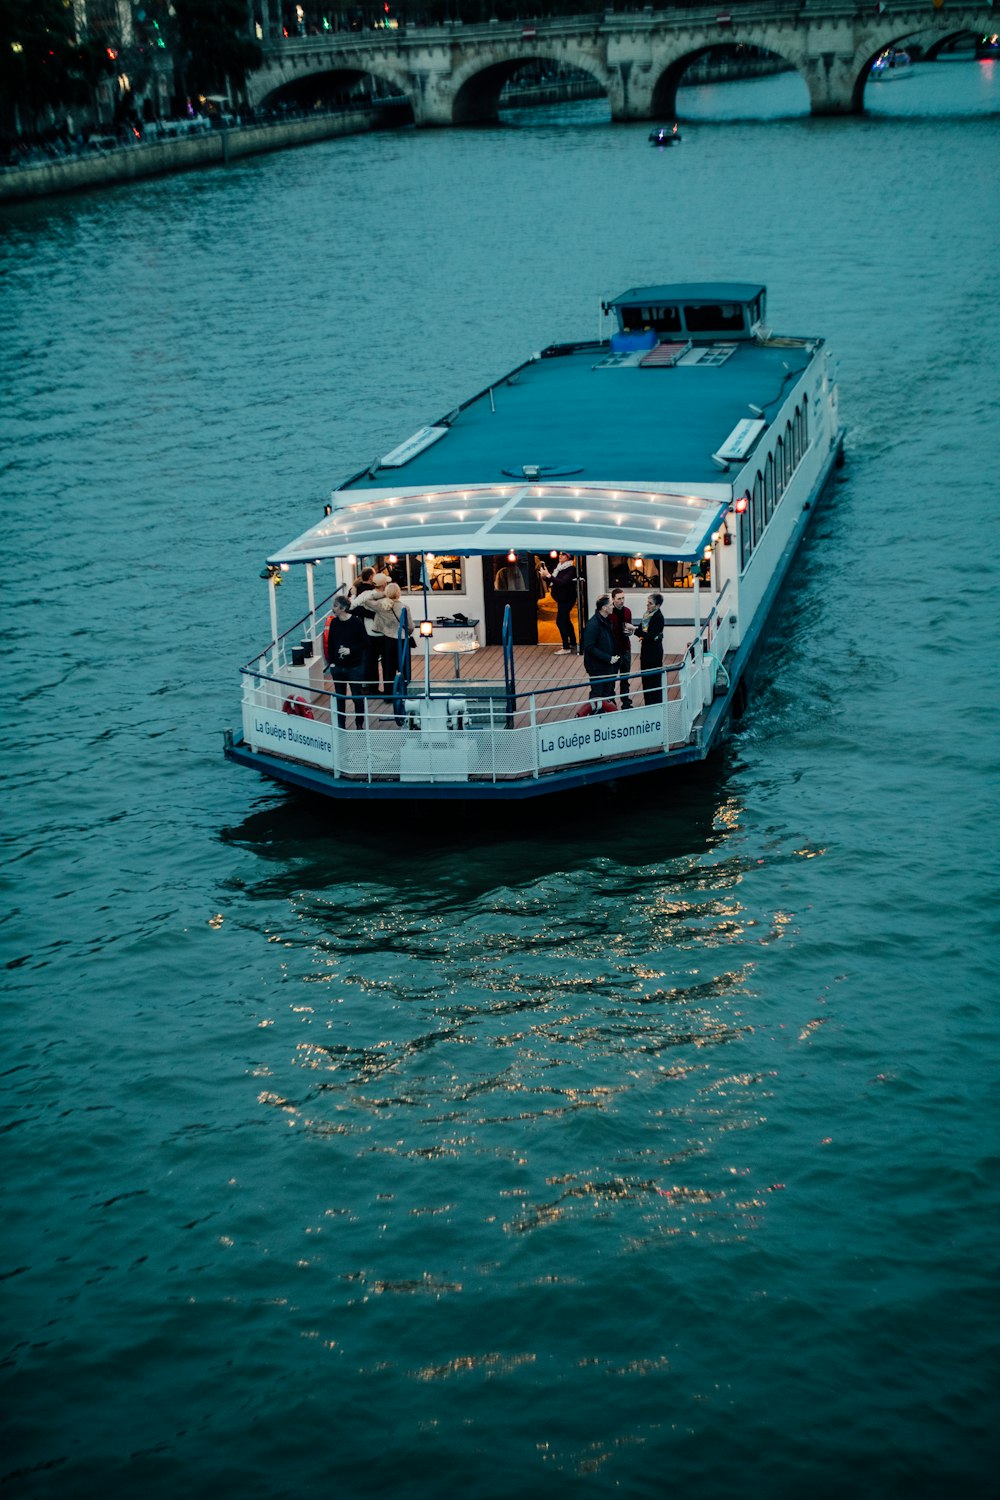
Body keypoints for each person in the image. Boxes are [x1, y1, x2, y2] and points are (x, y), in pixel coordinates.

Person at [323, 595, 368, 728]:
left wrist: (351, 650)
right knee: (339, 698)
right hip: (338, 667)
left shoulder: (356, 622)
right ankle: (341, 725)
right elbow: (330, 643)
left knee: (357, 697)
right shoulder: (334, 623)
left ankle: (359, 724)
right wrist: (332, 662)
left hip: (354, 666)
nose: (333, 608)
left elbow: (365, 643)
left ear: (343, 608)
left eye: (336, 606)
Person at [350, 572, 389, 696]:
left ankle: (373, 689)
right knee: (387, 664)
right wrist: (373, 615)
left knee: (371, 663)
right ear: (384, 584)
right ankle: (388, 691)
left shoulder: (365, 595)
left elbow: (352, 607)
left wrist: (367, 613)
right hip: (385, 634)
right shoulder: (388, 596)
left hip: (369, 634)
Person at [367, 581, 407, 699]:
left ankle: (388, 694)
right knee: (403, 667)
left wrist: (383, 594)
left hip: (387, 639)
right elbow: (409, 626)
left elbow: (367, 599)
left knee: (388, 668)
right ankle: (404, 692)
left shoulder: (381, 606)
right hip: (402, 640)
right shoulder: (404, 607)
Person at [581, 595, 621, 703]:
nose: (612, 606)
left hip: (606, 666)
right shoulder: (593, 625)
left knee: (608, 692)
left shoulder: (605, 621)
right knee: (598, 693)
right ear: (604, 608)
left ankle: (606, 715)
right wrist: (608, 658)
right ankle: (596, 715)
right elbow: (589, 647)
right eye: (610, 605)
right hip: (597, 667)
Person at [635, 592, 666, 706]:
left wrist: (635, 631)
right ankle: (648, 703)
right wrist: (635, 631)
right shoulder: (646, 616)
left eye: (650, 603)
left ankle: (656, 704)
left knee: (654, 681)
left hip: (654, 654)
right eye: (647, 603)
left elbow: (651, 636)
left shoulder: (658, 618)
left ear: (657, 606)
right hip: (646, 652)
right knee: (646, 680)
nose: (647, 606)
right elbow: (641, 631)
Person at [547, 552, 578, 654]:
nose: (560, 556)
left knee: (560, 621)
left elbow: (562, 582)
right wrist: (545, 575)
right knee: (566, 619)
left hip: (567, 598)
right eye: (560, 554)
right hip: (561, 598)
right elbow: (553, 580)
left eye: (563, 554)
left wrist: (549, 576)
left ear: (568, 557)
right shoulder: (558, 567)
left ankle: (566, 647)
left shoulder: (571, 569)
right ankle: (573, 642)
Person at [609, 588, 634, 709]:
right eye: (619, 599)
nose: (622, 601)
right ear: (613, 599)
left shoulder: (627, 612)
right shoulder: (609, 613)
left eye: (623, 598)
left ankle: (625, 701)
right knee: (612, 678)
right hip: (614, 649)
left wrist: (630, 632)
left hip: (625, 648)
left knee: (625, 677)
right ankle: (611, 702)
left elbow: (629, 627)